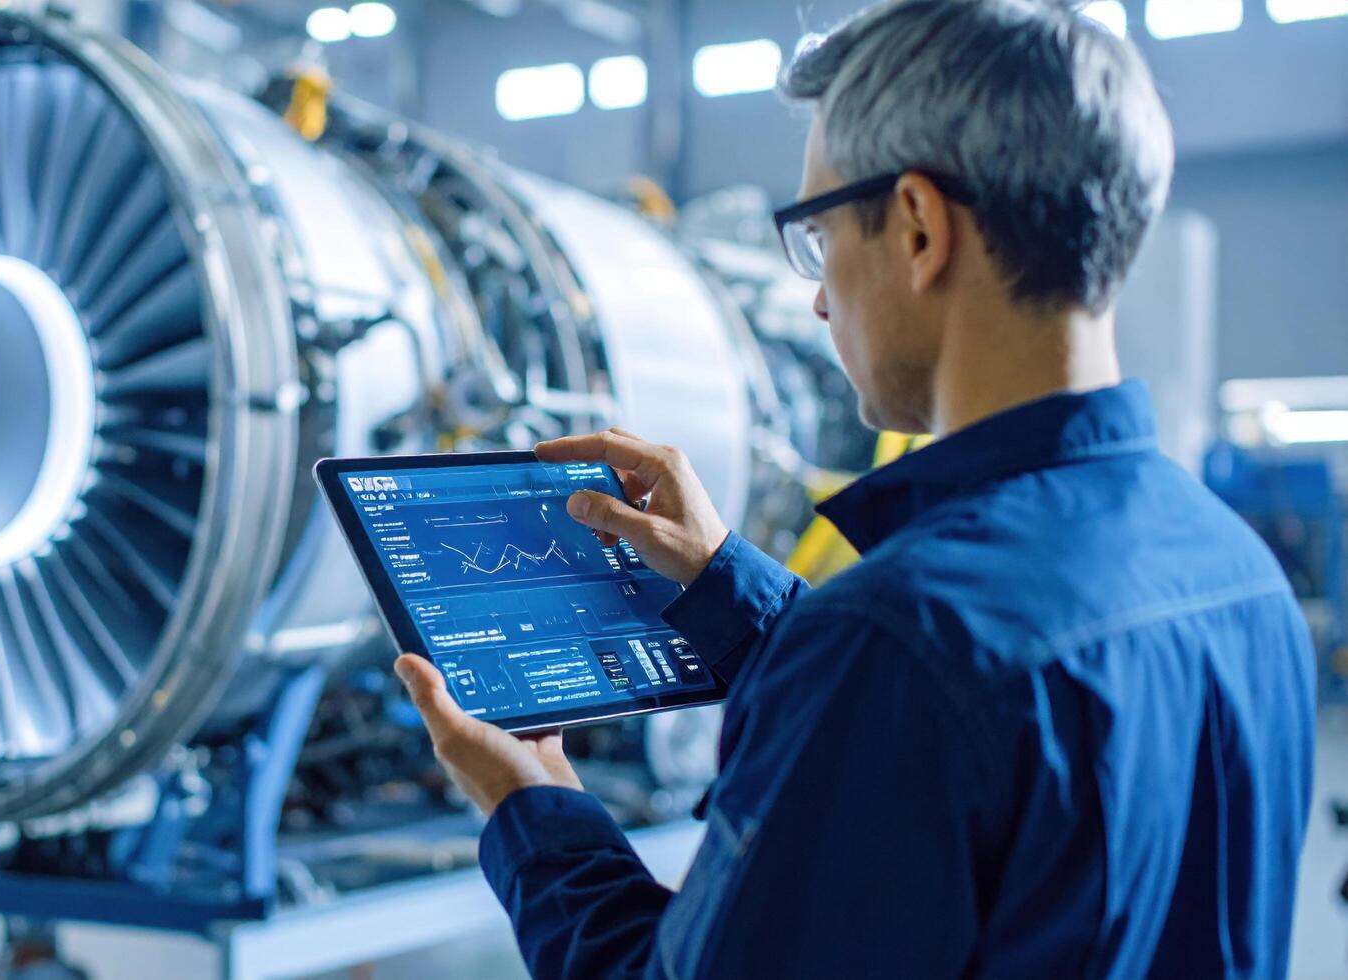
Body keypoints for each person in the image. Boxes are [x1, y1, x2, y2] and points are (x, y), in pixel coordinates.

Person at [390, 1, 1318, 976]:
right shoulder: (1240, 575)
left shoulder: (899, 641)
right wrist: (726, 587)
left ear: (916, 226)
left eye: (816, 235)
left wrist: (529, 807)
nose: (817, 294)